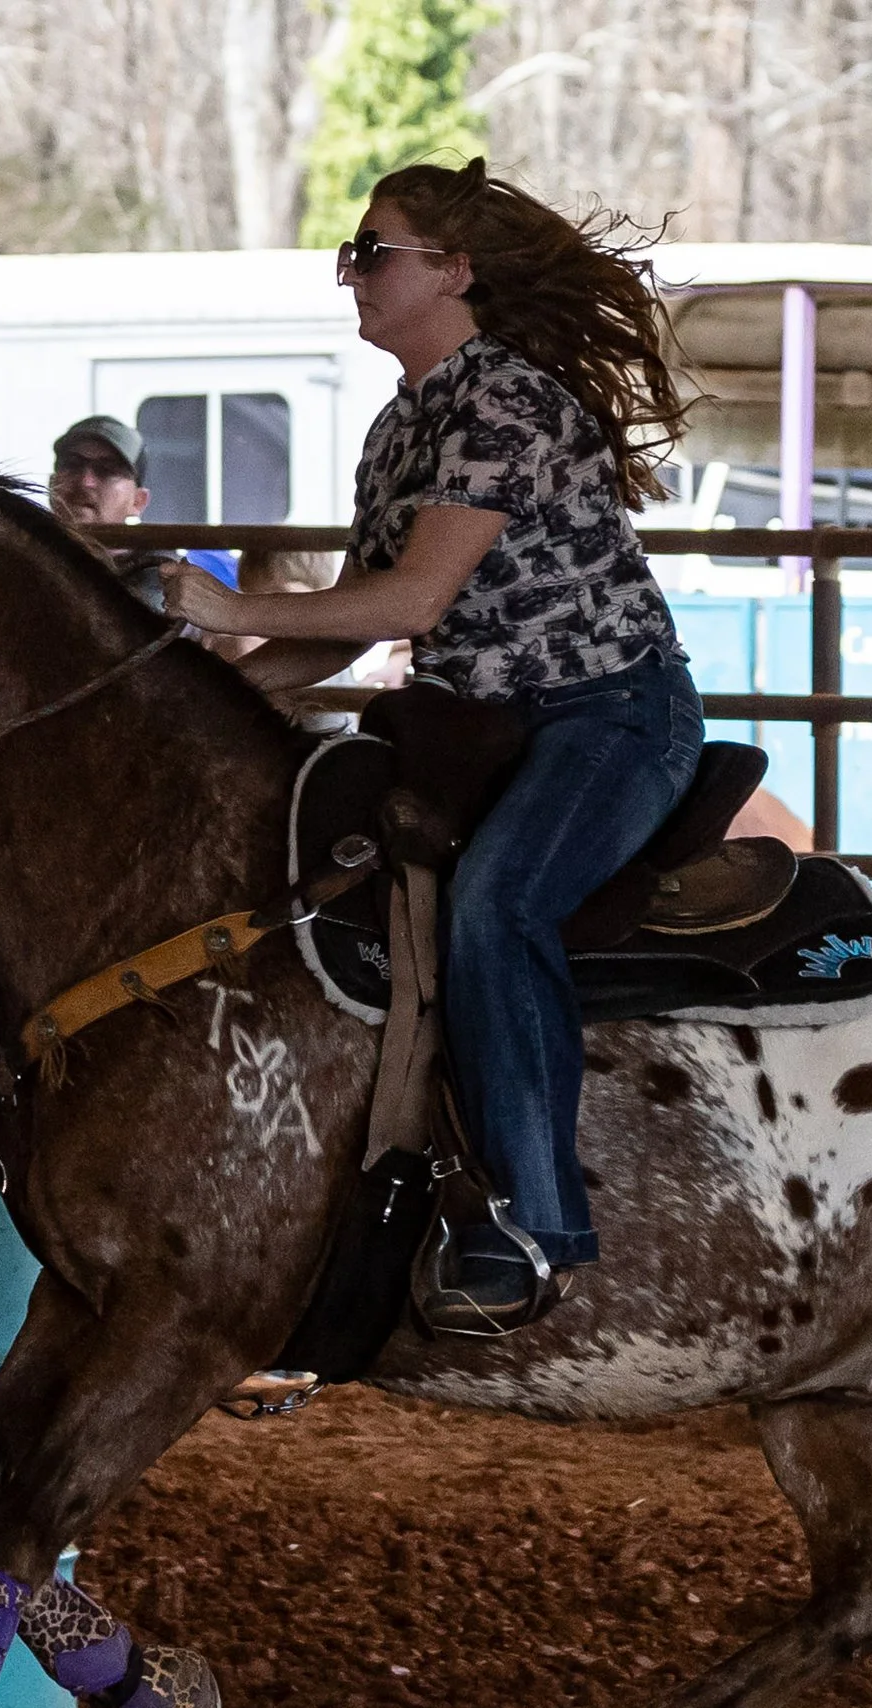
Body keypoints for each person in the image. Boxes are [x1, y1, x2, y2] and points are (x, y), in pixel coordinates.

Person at [159, 157, 698, 1335]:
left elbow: (408, 604)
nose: (353, 273)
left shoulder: (503, 402)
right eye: (353, 253)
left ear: (453, 272)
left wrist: (230, 613)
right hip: (488, 724)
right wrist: (210, 708)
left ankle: (537, 1226)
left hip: (607, 714)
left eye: (375, 252)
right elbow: (351, 617)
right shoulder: (404, 425)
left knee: (499, 904)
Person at [49, 415, 178, 612]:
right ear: (51, 485)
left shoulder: (163, 573)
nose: (86, 481)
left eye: (107, 470)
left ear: (138, 501)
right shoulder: (17, 551)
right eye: (72, 464)